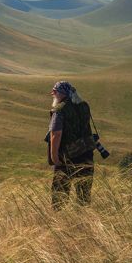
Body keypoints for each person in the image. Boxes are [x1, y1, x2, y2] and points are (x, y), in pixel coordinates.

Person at [46, 80, 95, 209]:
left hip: (67, 157)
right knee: (84, 195)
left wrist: (54, 157)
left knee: (59, 195)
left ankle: (59, 222)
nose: (53, 94)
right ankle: (84, 221)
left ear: (61, 93)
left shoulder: (59, 109)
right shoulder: (84, 106)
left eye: (54, 92)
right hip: (87, 154)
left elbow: (56, 133)